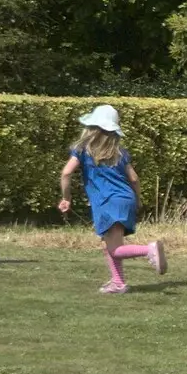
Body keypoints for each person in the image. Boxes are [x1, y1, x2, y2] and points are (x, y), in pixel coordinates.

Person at [57, 104, 166, 294]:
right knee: (110, 246)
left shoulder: (82, 150)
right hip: (126, 198)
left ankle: (149, 250)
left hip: (107, 202)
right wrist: (137, 199)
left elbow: (66, 173)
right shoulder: (120, 153)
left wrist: (66, 198)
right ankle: (118, 282)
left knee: (114, 249)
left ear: (92, 128)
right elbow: (134, 178)